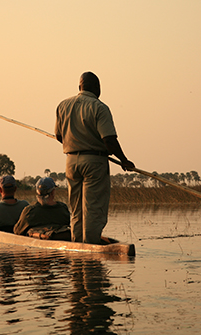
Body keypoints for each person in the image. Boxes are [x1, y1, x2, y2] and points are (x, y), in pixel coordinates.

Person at [54, 71, 135, 244]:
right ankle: (90, 246)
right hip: (94, 162)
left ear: (79, 87)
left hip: (71, 161)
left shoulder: (63, 105)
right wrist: (124, 160)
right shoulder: (99, 107)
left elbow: (59, 136)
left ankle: (77, 245)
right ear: (98, 88)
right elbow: (109, 140)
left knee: (76, 209)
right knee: (93, 209)